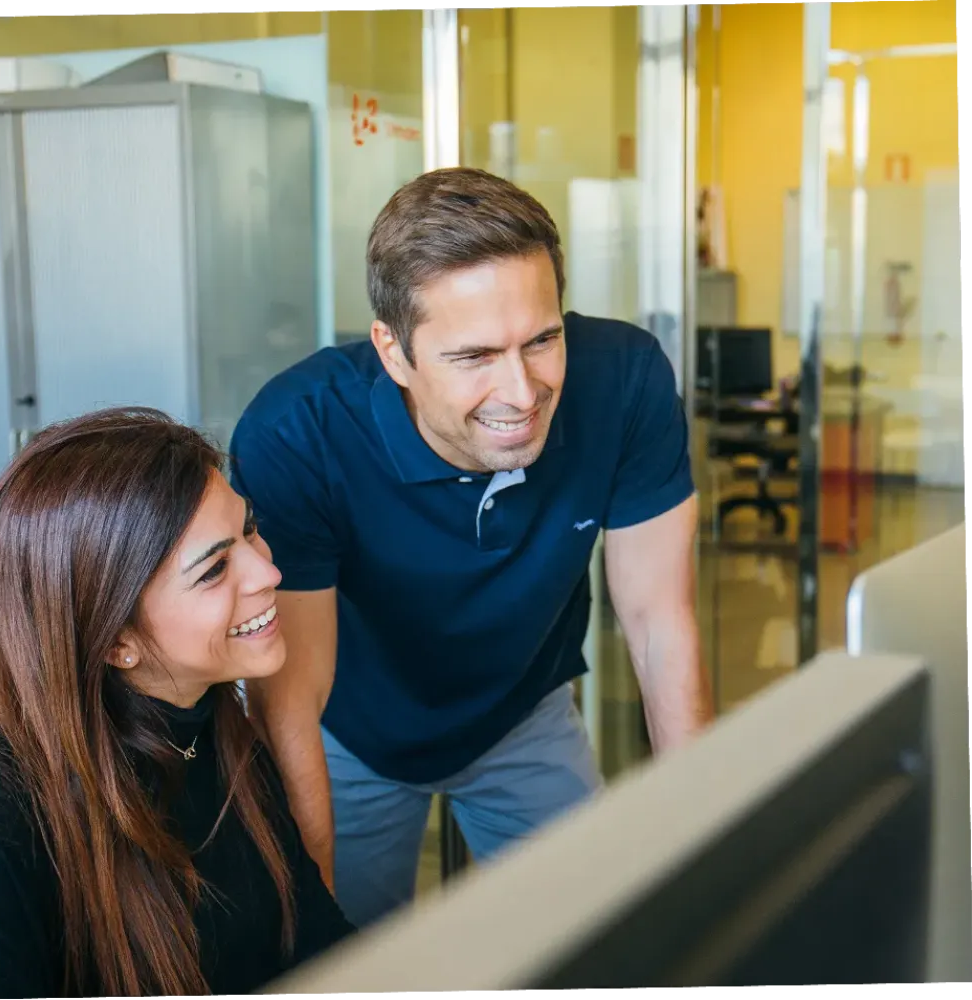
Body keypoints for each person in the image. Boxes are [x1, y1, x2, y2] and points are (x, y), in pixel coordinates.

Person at [230, 167, 713, 929]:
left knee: (600, 942)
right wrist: (309, 915)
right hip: (351, 732)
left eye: (542, 340)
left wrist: (706, 839)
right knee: (349, 958)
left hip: (522, 712)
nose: (520, 393)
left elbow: (660, 622)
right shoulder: (299, 431)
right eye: (474, 356)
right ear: (392, 352)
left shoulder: (623, 379)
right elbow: (293, 694)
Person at [0, 408, 354, 1000]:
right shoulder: (6, 817)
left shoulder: (215, 726)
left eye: (250, 529)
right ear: (117, 642)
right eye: (213, 570)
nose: (269, 571)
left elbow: (318, 943)